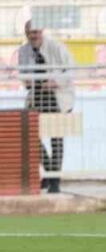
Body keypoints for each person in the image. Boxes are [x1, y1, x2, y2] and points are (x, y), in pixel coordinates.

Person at [17, 20, 75, 193]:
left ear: (42, 31)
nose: (33, 36)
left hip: (58, 97)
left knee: (56, 138)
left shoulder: (57, 47)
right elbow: (23, 74)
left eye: (36, 32)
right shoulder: (23, 51)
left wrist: (55, 81)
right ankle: (51, 174)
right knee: (31, 136)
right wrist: (28, 81)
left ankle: (54, 181)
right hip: (37, 96)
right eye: (29, 33)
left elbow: (71, 70)